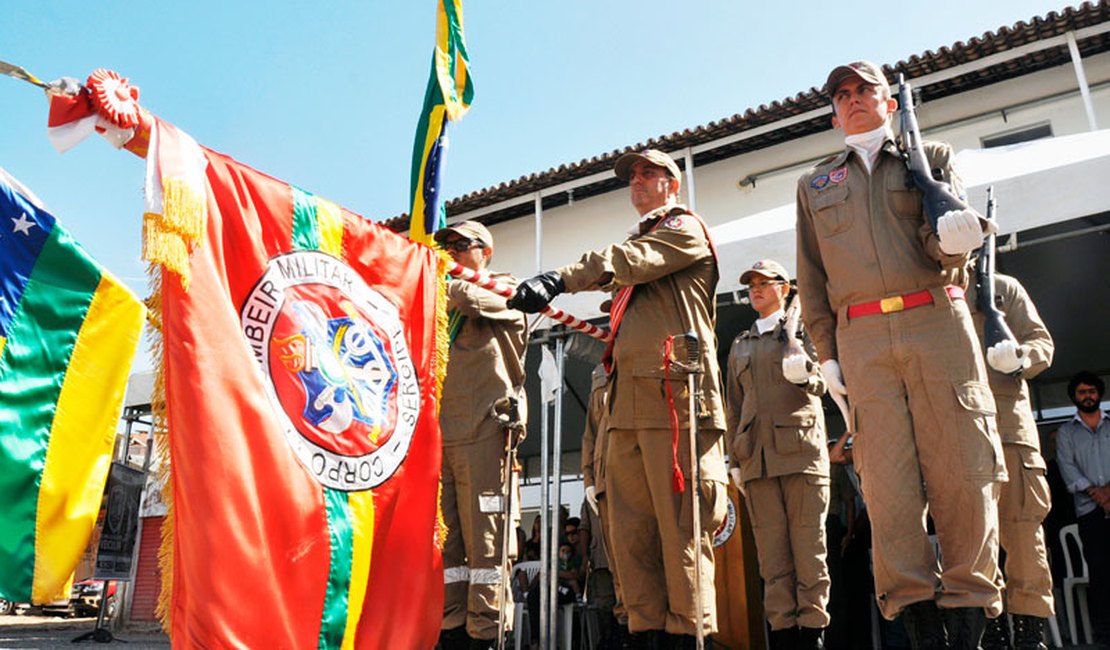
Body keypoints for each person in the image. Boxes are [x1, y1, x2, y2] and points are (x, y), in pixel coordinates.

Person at [795, 60, 1005, 649]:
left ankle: (968, 613)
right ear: (834, 114)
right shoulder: (813, 185)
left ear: (890, 103)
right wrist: (826, 353)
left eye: (866, 90)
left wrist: (955, 243)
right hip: (861, 337)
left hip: (937, 316)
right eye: (843, 94)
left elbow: (945, 237)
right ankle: (917, 619)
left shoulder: (929, 156)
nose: (855, 99)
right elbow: (811, 279)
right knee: (887, 486)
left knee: (963, 470)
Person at [508, 148, 728, 649]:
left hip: (674, 403)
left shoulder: (682, 228)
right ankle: (646, 633)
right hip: (627, 411)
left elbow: (628, 263)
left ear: (673, 184)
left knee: (681, 539)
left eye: (650, 173)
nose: (638, 181)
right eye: (633, 175)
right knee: (632, 544)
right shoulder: (643, 243)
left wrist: (560, 279)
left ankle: (691, 639)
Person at [725, 260, 830, 650]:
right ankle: (784, 635)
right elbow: (734, 405)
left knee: (809, 552)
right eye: (750, 285)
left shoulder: (806, 330)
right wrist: (734, 459)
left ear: (784, 288)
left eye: (763, 283)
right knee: (773, 561)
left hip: (801, 454)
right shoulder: (740, 344)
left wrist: (809, 376)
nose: (755, 290)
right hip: (757, 461)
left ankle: (813, 634)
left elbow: (830, 379)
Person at [436, 221, 529, 650]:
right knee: (448, 546)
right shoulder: (442, 301)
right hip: (443, 437)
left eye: (461, 245)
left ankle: (487, 632)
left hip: (485, 432)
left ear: (485, 252)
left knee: (487, 546)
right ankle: (451, 625)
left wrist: (438, 274)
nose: (451, 252)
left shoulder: (505, 290)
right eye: (446, 246)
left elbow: (473, 299)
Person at [966, 270, 1055, 650]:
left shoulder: (1003, 287)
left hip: (1010, 430)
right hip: (961, 431)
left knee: (1023, 533)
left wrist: (1020, 357)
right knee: (974, 542)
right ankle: (995, 628)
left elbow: (1042, 342)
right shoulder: (932, 288)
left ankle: (1030, 634)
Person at [1055, 371, 1110, 645]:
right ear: (1074, 397)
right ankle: (1105, 633)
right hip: (1089, 512)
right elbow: (1066, 468)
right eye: (1082, 392)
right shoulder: (1066, 432)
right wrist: (1097, 493)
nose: (1087, 395)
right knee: (1099, 573)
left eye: (1091, 391)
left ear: (1099, 393)